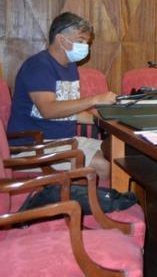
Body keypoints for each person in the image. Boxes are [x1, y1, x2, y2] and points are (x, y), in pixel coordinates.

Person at [8, 12, 117, 179]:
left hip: (63, 140)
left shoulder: (70, 66)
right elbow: (49, 110)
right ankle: (96, 203)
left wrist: (98, 118)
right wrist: (95, 99)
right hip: (32, 147)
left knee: (117, 153)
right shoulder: (39, 66)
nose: (85, 47)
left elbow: (64, 110)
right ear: (60, 40)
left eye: (86, 43)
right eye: (80, 41)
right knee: (103, 166)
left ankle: (109, 200)